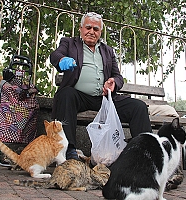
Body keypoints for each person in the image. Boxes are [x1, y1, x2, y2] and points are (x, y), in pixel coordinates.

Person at [50, 12, 152, 160]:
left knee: (138, 107)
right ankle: (69, 149)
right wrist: (62, 60)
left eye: (96, 29)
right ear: (81, 28)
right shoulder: (69, 43)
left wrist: (113, 82)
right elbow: (55, 55)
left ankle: (146, 153)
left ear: (100, 32)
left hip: (104, 99)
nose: (91, 32)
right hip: (79, 97)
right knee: (66, 94)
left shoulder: (107, 51)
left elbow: (118, 77)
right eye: (88, 27)